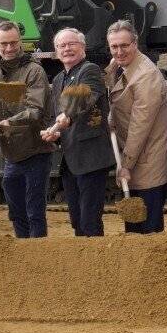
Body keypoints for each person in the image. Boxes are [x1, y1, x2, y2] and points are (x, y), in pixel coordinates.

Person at [42, 28, 116, 237]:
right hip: (70, 159)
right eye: (61, 46)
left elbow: (86, 98)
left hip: (91, 158)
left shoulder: (89, 70)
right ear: (56, 52)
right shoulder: (58, 80)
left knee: (89, 220)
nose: (67, 49)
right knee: (76, 220)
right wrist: (55, 132)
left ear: (82, 47)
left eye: (71, 44)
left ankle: (96, 264)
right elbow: (58, 115)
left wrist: (68, 118)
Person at [105, 19, 167, 234]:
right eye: (114, 47)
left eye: (124, 45)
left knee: (148, 225)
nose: (119, 51)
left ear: (135, 43)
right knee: (135, 226)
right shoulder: (120, 67)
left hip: (148, 157)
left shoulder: (146, 75)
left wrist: (125, 164)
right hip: (136, 155)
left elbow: (140, 126)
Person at [0, 20, 52, 238]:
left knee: (34, 210)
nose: (9, 48)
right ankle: (23, 252)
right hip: (11, 155)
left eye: (13, 43)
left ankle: (38, 254)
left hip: (35, 151)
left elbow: (36, 110)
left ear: (21, 43)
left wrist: (10, 123)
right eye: (4, 44)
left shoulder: (34, 71)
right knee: (16, 211)